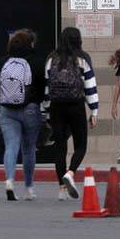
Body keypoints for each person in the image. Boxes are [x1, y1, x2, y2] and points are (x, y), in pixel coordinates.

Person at [44, 27, 99, 200]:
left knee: (60, 148)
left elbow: (47, 88)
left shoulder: (51, 59)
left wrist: (45, 110)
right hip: (76, 106)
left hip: (56, 106)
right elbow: (90, 86)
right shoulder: (82, 59)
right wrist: (94, 110)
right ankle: (71, 172)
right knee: (80, 145)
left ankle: (61, 189)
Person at [0, 28, 46, 202]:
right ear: (30, 44)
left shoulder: (2, 62)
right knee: (29, 149)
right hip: (30, 109)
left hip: (7, 110)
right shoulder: (37, 62)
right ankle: (29, 188)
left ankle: (9, 181)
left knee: (11, 146)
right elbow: (43, 88)